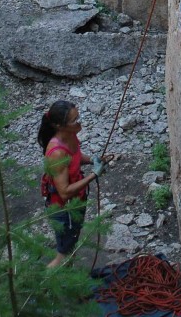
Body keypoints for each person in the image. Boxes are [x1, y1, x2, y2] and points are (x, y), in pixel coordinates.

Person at [37, 100, 115, 267]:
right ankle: (46, 284)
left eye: (79, 117)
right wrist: (94, 174)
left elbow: (75, 157)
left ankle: (67, 280)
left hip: (76, 202)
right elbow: (64, 191)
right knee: (63, 255)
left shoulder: (70, 135)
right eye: (75, 120)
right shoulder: (56, 153)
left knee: (70, 247)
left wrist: (93, 160)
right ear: (60, 126)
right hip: (63, 209)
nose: (79, 122)